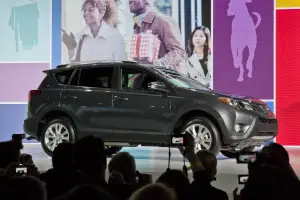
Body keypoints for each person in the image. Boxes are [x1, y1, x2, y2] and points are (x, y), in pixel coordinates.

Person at [128, 0, 186, 73]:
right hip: (146, 79)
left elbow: (179, 52)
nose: (129, 0)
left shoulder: (162, 21)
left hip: (163, 80)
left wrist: (156, 65)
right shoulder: (137, 24)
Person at [62, 0, 127, 62]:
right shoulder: (79, 37)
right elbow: (72, 64)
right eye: (84, 10)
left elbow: (121, 66)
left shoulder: (115, 37)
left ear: (102, 12)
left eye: (90, 10)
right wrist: (70, 48)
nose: (86, 13)